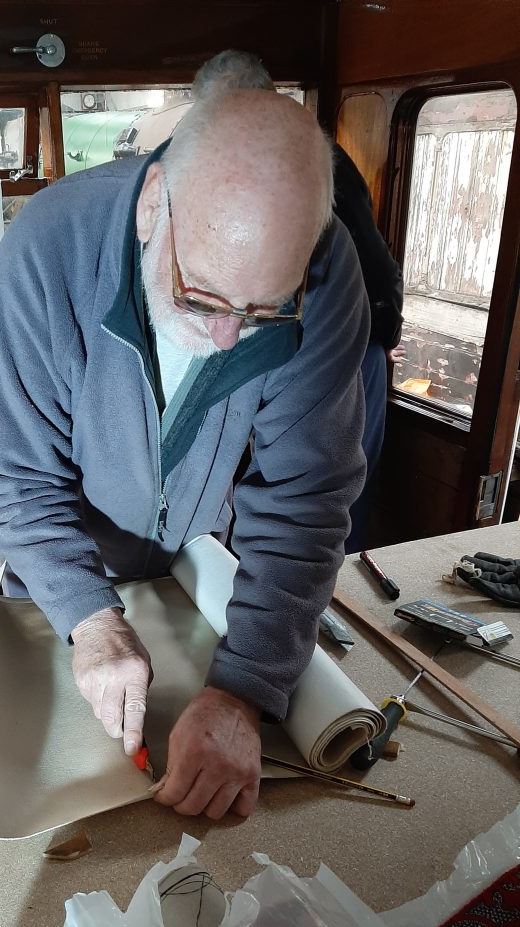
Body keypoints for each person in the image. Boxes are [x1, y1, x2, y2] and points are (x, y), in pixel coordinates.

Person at [0, 67, 369, 821]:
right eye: (202, 295)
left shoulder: (328, 276)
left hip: (191, 568)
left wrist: (244, 690)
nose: (224, 336)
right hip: (58, 577)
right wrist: (89, 616)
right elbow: (15, 476)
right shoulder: (47, 249)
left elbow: (305, 500)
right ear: (154, 207)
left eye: (262, 313)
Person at [193, 50, 404, 552]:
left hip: (346, 350)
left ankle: (332, 610)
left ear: (264, 100)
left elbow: (374, 265)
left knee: (331, 495)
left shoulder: (316, 161)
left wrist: (382, 334)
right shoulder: (229, 166)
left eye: (230, 113)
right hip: (283, 348)